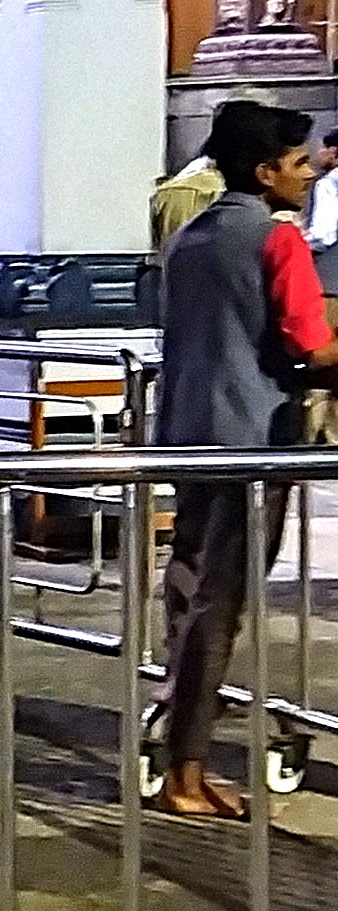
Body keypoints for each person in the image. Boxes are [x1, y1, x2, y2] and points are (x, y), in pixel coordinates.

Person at [154, 99, 338, 820]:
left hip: (190, 429)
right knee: (218, 605)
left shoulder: (193, 235)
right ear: (266, 171)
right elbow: (309, 348)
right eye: (298, 163)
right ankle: (187, 768)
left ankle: (180, 740)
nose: (309, 173)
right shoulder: (277, 241)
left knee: (190, 589)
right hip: (251, 436)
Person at [308, 124, 338, 252]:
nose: (319, 152)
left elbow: (323, 236)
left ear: (334, 151)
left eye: (323, 147)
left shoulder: (328, 184)